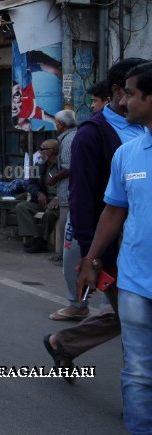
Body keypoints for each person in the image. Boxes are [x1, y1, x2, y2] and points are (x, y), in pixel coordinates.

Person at [44, 57, 148, 377]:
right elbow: (84, 199)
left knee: (133, 315)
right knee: (136, 319)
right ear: (119, 92)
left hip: (143, 243)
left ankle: (63, 343)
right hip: (117, 246)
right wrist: (92, 254)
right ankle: (139, 399)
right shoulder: (93, 134)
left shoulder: (143, 128)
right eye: (130, 91)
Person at [76, 62, 152, 435]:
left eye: (132, 94)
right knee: (139, 374)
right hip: (137, 284)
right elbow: (113, 209)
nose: (123, 100)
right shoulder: (127, 154)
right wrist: (91, 260)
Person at [14, 139, 59, 253]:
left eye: (42, 149)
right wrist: (39, 193)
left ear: (50, 151)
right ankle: (34, 237)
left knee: (49, 215)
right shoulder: (40, 164)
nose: (40, 152)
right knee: (22, 207)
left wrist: (57, 198)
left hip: (57, 202)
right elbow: (30, 182)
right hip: (42, 200)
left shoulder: (61, 167)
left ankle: (43, 241)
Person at [46, 109, 76, 268]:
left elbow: (69, 168)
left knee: (65, 225)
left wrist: (55, 178)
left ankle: (65, 257)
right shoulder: (69, 137)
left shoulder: (68, 141)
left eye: (57, 123)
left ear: (62, 125)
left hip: (68, 191)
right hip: (69, 191)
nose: (55, 125)